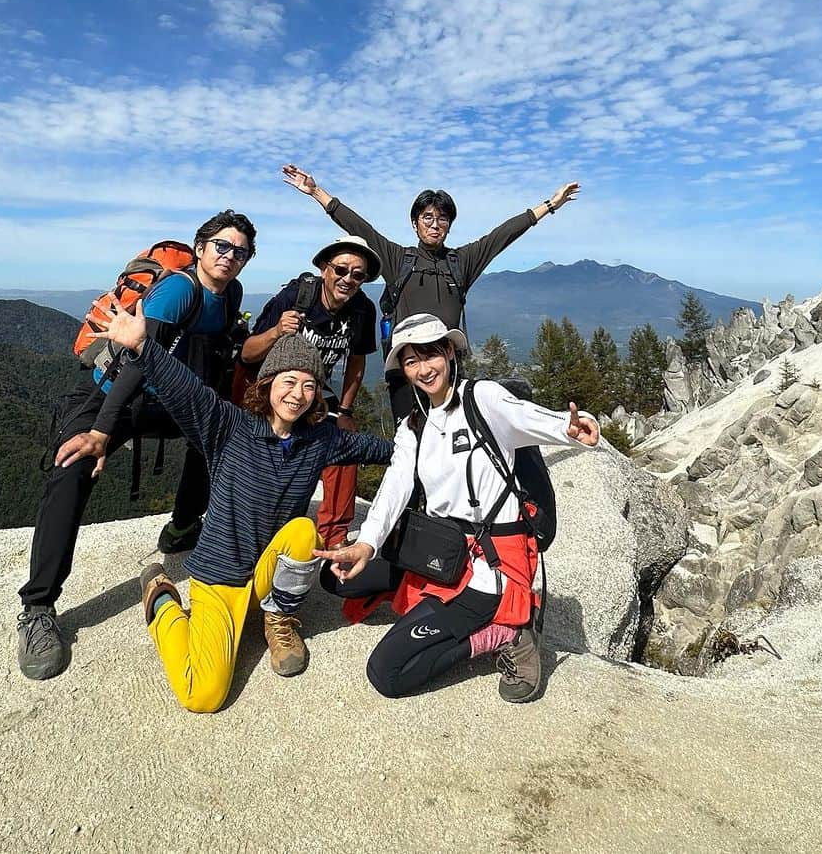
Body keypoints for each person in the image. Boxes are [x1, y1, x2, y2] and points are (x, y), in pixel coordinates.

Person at [89, 299, 395, 712]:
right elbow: (188, 391)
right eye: (289, 381)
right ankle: (161, 600)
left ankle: (279, 620)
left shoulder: (320, 440)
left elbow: (382, 450)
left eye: (309, 385)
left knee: (305, 531)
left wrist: (434, 445)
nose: (299, 393)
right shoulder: (230, 428)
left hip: (268, 575)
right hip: (221, 575)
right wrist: (144, 347)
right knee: (203, 695)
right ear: (267, 384)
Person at [16, 210, 255, 681]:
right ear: (201, 247)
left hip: (168, 398)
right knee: (71, 465)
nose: (230, 257)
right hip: (115, 394)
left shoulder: (232, 296)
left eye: (240, 251)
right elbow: (135, 361)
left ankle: (183, 529)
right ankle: (38, 608)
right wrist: (101, 431)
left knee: (226, 440)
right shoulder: (180, 290)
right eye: (222, 247)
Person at [316, 313, 599, 703]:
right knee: (335, 577)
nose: (422, 369)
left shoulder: (482, 399)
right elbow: (395, 486)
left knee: (387, 673)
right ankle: (417, 597)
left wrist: (571, 428)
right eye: (410, 361)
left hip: (490, 563)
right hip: (441, 548)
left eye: (429, 355)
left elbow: (530, 419)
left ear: (449, 351)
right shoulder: (414, 423)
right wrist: (366, 544)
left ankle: (509, 633)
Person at [281, 164, 580, 422]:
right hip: (404, 373)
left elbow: (502, 235)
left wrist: (550, 205)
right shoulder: (399, 260)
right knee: (410, 443)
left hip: (447, 370)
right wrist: (316, 191)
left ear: (449, 225)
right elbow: (359, 225)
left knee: (450, 442)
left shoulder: (461, 262)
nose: (435, 225)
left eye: (442, 219)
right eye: (427, 217)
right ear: (415, 223)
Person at [240, 234, 381, 549]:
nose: (348, 279)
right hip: (271, 395)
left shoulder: (362, 310)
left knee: (345, 449)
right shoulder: (294, 297)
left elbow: (356, 362)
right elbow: (247, 354)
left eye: (357, 275)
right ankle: (264, 527)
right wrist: (277, 331)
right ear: (323, 269)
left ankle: (334, 539)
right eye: (340, 270)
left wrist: (344, 412)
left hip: (313, 396)